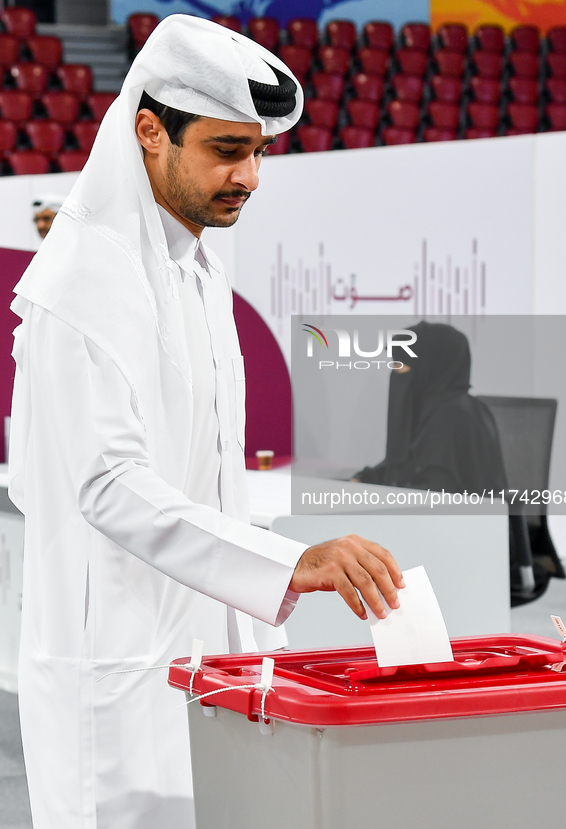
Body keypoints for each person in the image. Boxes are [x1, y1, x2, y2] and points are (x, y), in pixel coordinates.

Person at [8, 16, 403, 829]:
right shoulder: (84, 280)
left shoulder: (196, 266)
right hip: (117, 671)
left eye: (257, 151)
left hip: (210, 654)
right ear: (148, 132)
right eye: (226, 150)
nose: (250, 175)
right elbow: (110, 486)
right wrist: (289, 562)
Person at [356, 321, 507, 494]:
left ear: (429, 366)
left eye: (401, 365)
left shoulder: (453, 416)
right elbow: (408, 463)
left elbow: (438, 488)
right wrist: (368, 479)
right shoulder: (434, 411)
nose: (396, 374)